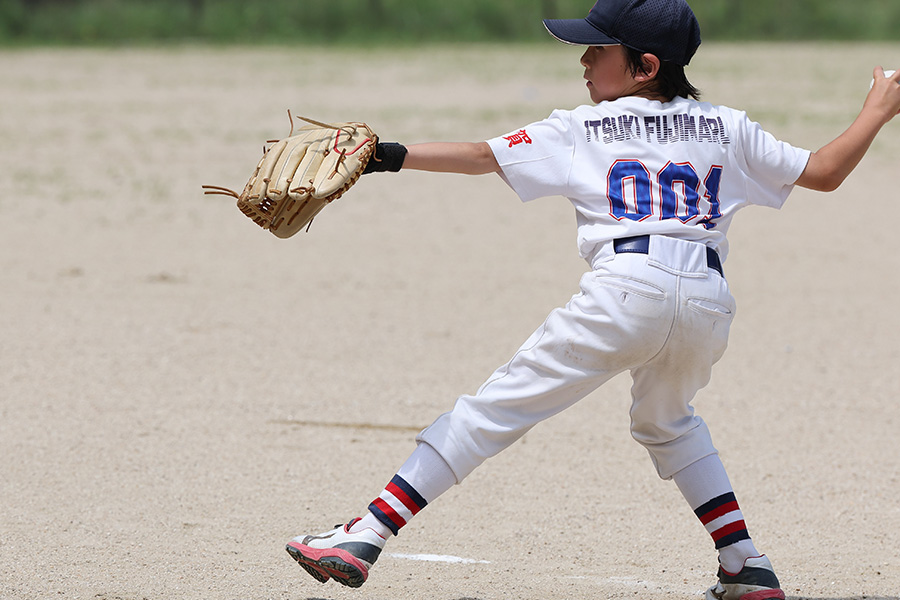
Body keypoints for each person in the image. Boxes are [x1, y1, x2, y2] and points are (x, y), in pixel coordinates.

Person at [284, 1, 900, 598]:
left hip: (626, 292)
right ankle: (745, 564)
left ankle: (363, 536)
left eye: (598, 48)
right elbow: (823, 171)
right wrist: (876, 110)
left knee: (489, 411)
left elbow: (480, 157)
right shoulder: (726, 125)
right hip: (707, 302)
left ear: (646, 66)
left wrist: (384, 156)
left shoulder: (582, 128)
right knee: (669, 422)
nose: (583, 59)